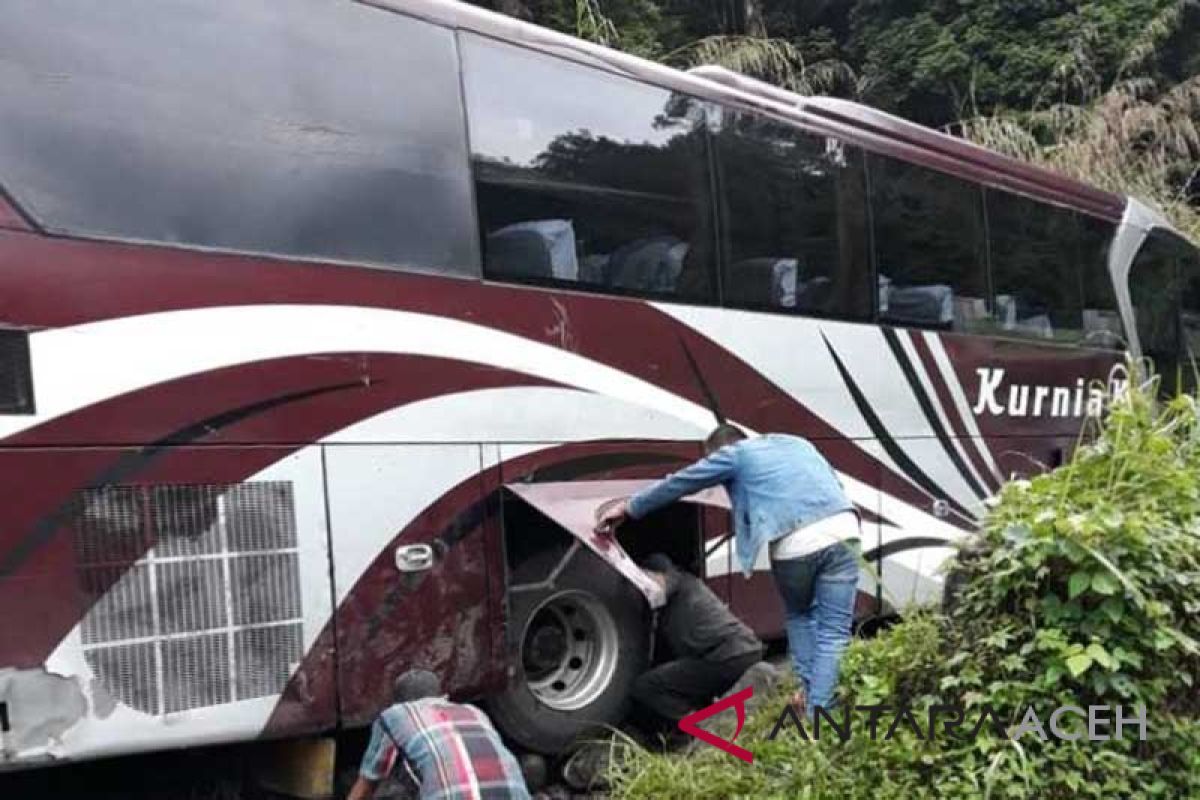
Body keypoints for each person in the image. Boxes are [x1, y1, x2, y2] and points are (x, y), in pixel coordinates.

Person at [596, 425, 860, 717]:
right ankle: (821, 708)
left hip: (796, 541)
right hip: (845, 529)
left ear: (719, 452)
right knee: (834, 632)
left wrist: (630, 507)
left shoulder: (735, 455)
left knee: (801, 616)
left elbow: (682, 482)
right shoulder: (795, 440)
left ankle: (815, 708)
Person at [348, 669, 530, 800]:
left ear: (399, 703)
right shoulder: (474, 712)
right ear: (443, 696)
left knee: (400, 771)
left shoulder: (394, 716)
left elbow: (367, 782)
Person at [632, 553, 763, 727]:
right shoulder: (689, 583)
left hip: (727, 656)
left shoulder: (673, 595)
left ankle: (704, 726)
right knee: (683, 677)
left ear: (659, 575)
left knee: (646, 686)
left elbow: (673, 651)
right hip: (746, 650)